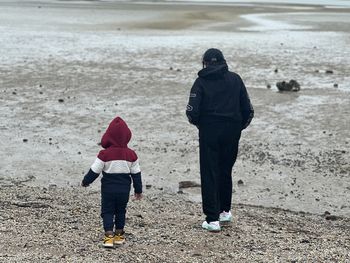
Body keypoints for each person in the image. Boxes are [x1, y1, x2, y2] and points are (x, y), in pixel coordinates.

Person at [186, 48, 254, 232]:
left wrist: (202, 125)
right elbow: (248, 110)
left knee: (210, 172)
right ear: (223, 61)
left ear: (205, 63)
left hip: (210, 130)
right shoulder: (235, 79)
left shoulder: (200, 82)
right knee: (225, 170)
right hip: (232, 130)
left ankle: (212, 219)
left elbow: (191, 112)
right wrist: (238, 127)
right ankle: (225, 211)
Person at [81, 116, 142, 247]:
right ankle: (119, 235)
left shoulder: (104, 154)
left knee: (107, 211)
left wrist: (86, 181)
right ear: (127, 136)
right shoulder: (131, 155)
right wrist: (138, 190)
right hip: (124, 190)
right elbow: (136, 174)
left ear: (108, 135)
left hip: (108, 190)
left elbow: (94, 171)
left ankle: (109, 236)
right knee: (121, 211)